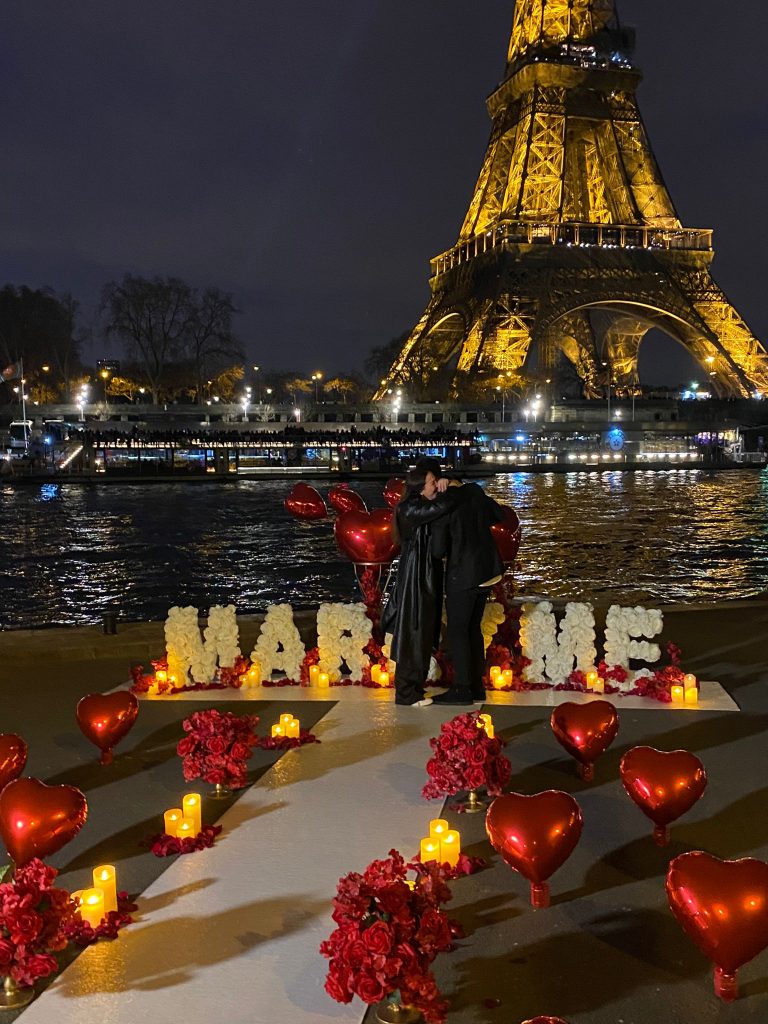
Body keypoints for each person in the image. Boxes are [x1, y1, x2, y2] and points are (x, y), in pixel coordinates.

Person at [384, 466, 458, 707]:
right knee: (413, 628)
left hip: (425, 572)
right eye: (431, 482)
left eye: (435, 481)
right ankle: (407, 692)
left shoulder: (419, 507)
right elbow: (439, 507)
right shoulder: (410, 508)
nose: (435, 485)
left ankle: (414, 687)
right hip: (416, 575)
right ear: (417, 487)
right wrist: (447, 491)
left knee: (424, 628)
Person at [430, 483, 505, 705]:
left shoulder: (445, 504)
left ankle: (462, 688)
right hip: (489, 570)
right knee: (473, 629)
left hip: (463, 574)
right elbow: (497, 513)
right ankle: (476, 686)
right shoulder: (474, 492)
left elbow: (438, 550)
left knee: (458, 631)